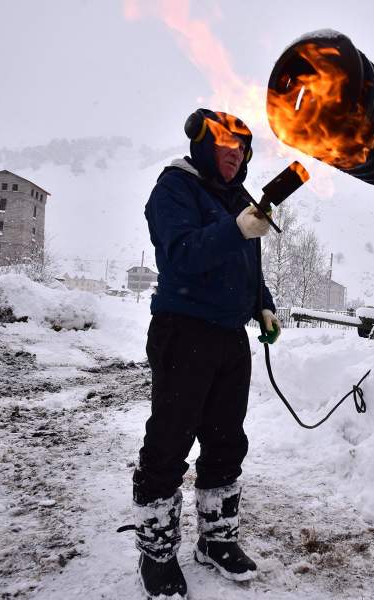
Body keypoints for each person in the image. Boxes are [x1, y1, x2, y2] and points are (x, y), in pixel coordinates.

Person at [128, 109, 280, 599]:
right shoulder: (175, 188)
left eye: (241, 151)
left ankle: (216, 540)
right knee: (169, 444)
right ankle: (156, 554)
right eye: (224, 148)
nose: (234, 157)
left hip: (230, 337)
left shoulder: (238, 200)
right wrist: (234, 230)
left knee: (226, 441)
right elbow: (180, 254)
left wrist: (265, 305)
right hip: (183, 329)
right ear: (203, 148)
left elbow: (244, 264)